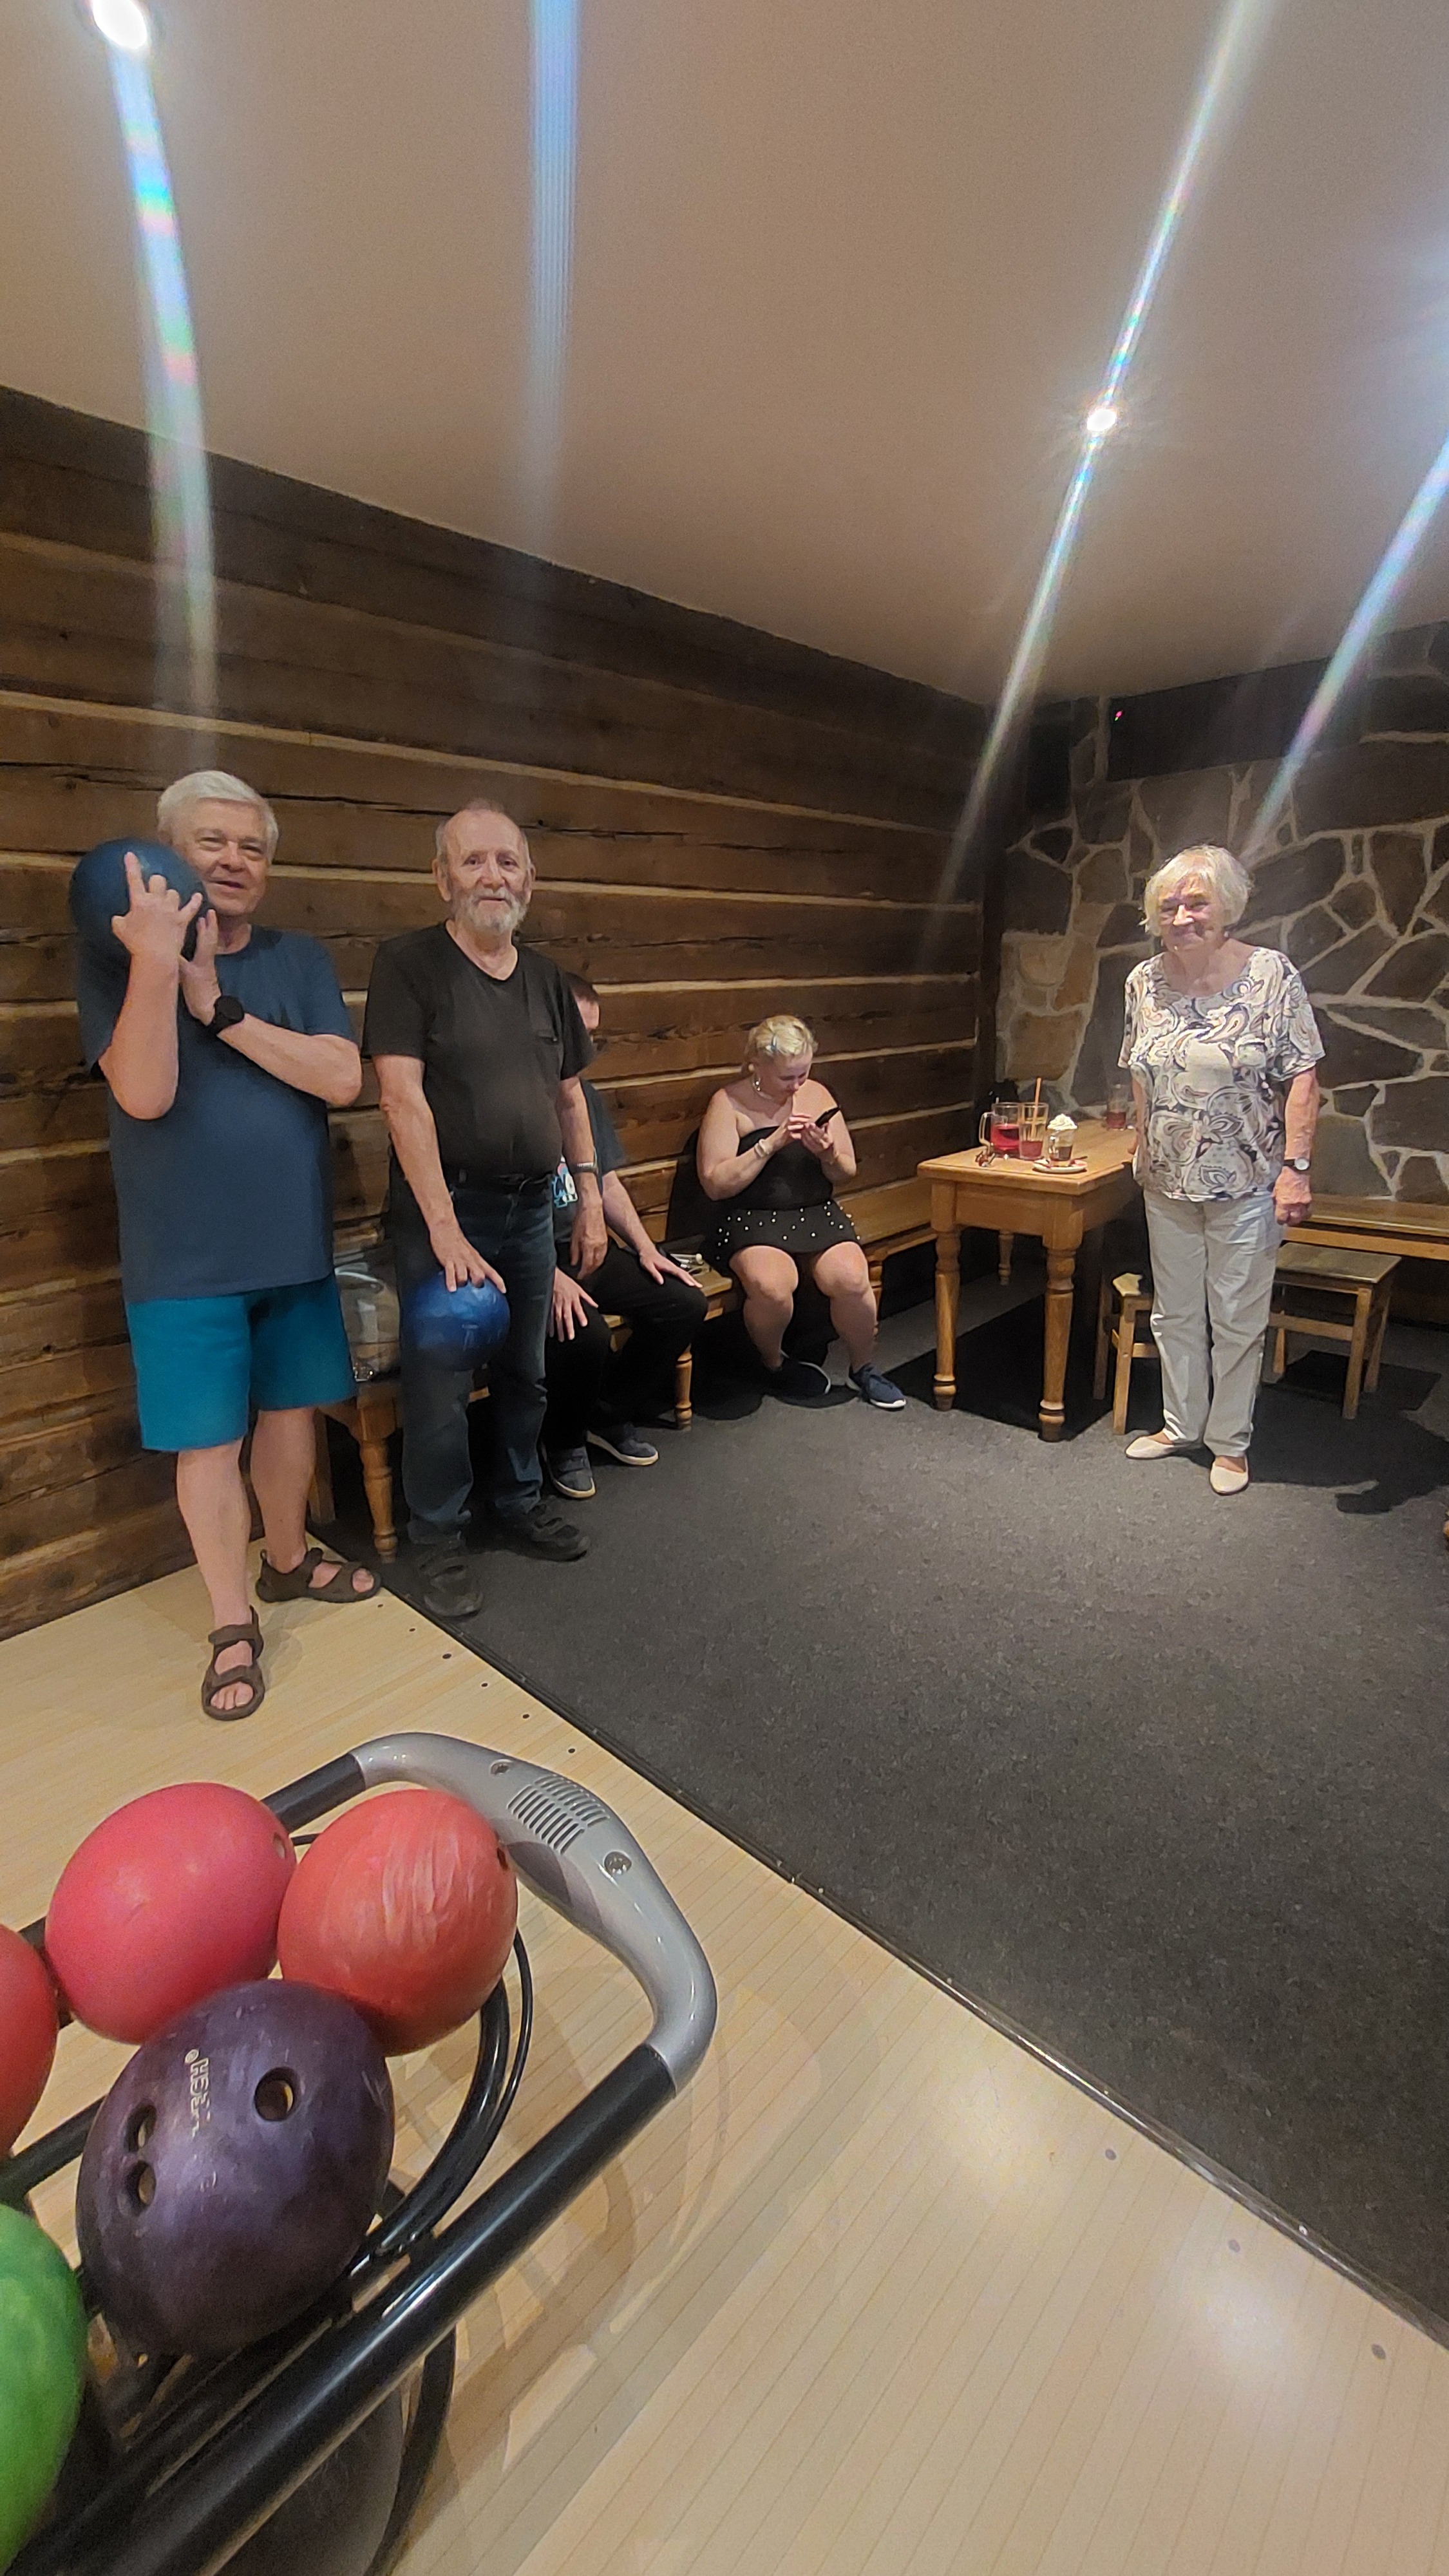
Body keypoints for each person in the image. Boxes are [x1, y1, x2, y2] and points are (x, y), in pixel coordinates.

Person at [74, 770, 378, 1724]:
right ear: (165, 855)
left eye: (252, 847)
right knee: (207, 1444)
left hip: (292, 1243)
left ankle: (286, 1561)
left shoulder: (298, 958)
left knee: (291, 1415)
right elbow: (145, 1093)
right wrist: (161, 967)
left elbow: (341, 1077)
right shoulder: (116, 958)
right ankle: (230, 1623)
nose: (234, 861)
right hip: (182, 1260)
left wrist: (221, 1009)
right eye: (211, 842)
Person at [364, 801, 607, 1619]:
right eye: (473, 861)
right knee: (439, 1386)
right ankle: (437, 1537)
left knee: (524, 1371)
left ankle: (516, 1501)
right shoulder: (408, 965)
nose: (492, 877)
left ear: (529, 879)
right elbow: (400, 1100)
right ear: (443, 878)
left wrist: (590, 1197)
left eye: (507, 862)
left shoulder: (546, 980)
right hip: (447, 1211)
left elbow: (570, 1098)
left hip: (533, 1209)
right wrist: (443, 1228)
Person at [1120, 842, 1323, 1494]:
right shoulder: (1142, 982)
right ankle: (1181, 1425)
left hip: (1247, 1181)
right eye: (1169, 905)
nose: (1181, 916)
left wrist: (1296, 1168)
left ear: (1226, 907)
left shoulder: (1270, 975)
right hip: (1166, 1180)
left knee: (1235, 1317)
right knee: (1175, 1312)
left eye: (1196, 903)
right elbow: (1141, 1070)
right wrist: (1143, 1144)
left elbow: (1303, 1076)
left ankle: (1230, 1443)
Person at [542, 975, 710, 1499]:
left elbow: (607, 1182)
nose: (586, 1049)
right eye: (578, 1034)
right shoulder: (511, 1099)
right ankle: (562, 1441)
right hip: (530, 1256)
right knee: (584, 1333)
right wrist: (547, 1276)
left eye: (593, 1037)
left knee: (683, 1301)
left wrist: (646, 1249)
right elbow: (492, 1215)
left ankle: (607, 1413)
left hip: (589, 1244)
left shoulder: (584, 1095)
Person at [696, 1014, 904, 1407]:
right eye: (786, 1077)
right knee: (772, 1286)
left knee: (851, 1277)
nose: (796, 1086)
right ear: (756, 1066)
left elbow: (846, 1171)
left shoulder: (818, 1094)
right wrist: (768, 1145)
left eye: (803, 1074)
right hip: (752, 1215)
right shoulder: (728, 1103)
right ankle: (773, 1363)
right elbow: (715, 1183)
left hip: (814, 1209)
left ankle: (864, 1367)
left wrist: (828, 1154)